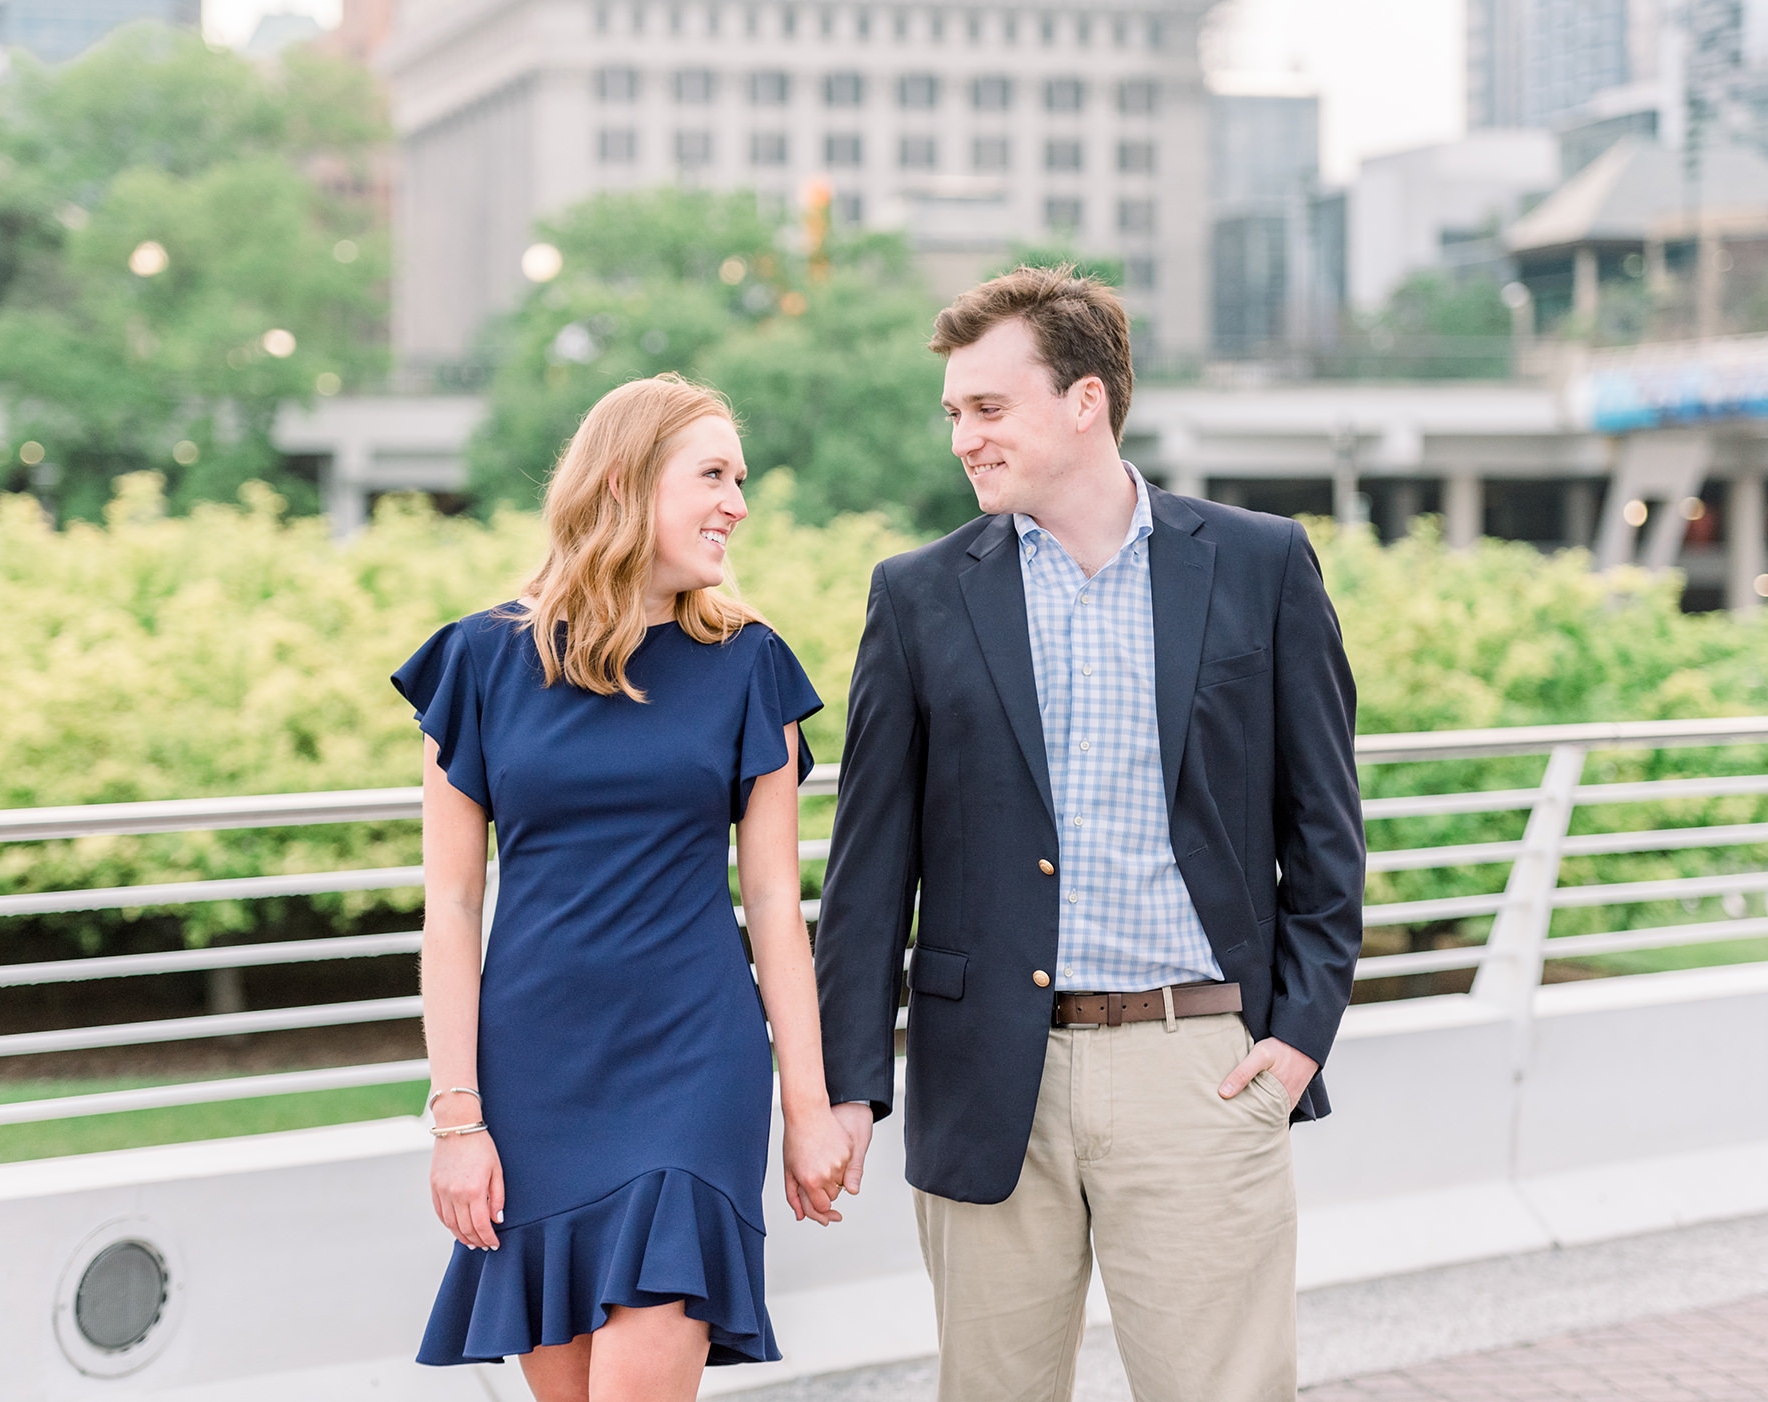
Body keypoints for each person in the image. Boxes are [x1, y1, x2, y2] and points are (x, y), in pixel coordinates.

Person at [814, 267, 1365, 1402]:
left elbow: (1325, 827)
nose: (964, 437)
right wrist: (845, 1086)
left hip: (1200, 1066)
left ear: (1085, 402)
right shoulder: (918, 597)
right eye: (955, 413)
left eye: (988, 408)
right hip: (987, 1077)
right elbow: (869, 867)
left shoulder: (1260, 565)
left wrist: (1299, 1034)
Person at [396, 374, 851, 1402]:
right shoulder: (477, 662)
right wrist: (458, 1120)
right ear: (621, 480)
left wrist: (808, 1104)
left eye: (741, 477)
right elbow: (453, 911)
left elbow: (777, 904)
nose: (738, 500)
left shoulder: (750, 666)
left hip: (691, 1062)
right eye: (712, 474)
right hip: (533, 1074)